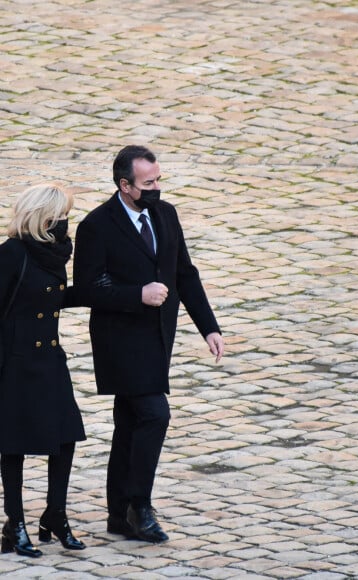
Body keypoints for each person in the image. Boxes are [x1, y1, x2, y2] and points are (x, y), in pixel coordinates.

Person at [73, 145, 224, 544]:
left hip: (158, 337)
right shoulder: (96, 226)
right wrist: (135, 294)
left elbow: (184, 274)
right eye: (148, 183)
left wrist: (208, 327)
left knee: (131, 421)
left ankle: (118, 514)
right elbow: (88, 288)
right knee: (155, 414)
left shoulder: (165, 213)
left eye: (158, 179)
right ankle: (139, 505)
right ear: (125, 185)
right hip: (119, 340)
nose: (157, 188)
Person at [0, 184, 86, 558]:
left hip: (50, 358)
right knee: (13, 446)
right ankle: (14, 523)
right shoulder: (12, 255)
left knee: (65, 437)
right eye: (60, 217)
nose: (65, 223)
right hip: (15, 363)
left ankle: (55, 514)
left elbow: (56, 297)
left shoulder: (55, 254)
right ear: (41, 218)